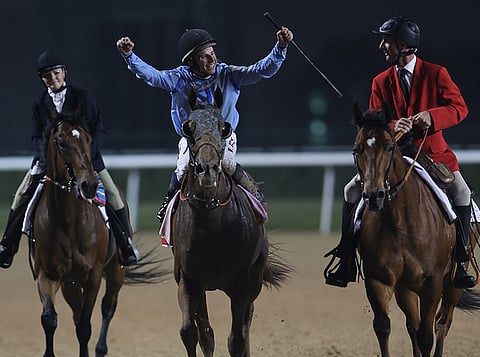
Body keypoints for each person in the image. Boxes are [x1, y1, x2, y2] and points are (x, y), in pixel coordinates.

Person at [325, 16, 475, 289]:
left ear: (405, 45)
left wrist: (432, 115)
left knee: (463, 193)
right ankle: (346, 257)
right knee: (350, 191)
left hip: (432, 154)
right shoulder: (380, 81)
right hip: (390, 155)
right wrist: (395, 124)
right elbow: (373, 117)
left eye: (387, 41)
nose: (382, 46)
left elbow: (460, 108)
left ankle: (460, 262)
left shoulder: (436, 73)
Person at [116, 26, 294, 224]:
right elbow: (153, 76)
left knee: (227, 162)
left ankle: (255, 194)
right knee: (183, 168)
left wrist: (281, 47)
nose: (212, 59)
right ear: (191, 60)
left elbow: (261, 70)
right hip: (193, 139)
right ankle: (168, 204)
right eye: (204, 56)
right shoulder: (179, 78)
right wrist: (129, 56)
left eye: (212, 53)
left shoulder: (228, 74)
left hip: (223, 136)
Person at [0, 51, 139, 267]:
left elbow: (98, 129)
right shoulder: (39, 103)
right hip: (49, 162)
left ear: (64, 72)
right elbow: (36, 136)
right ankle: (8, 247)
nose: (53, 78)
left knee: (112, 193)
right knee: (20, 195)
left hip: (85, 159)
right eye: (47, 76)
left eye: (56, 73)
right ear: (42, 79)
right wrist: (43, 158)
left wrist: (88, 157)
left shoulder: (82, 97)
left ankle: (126, 244)